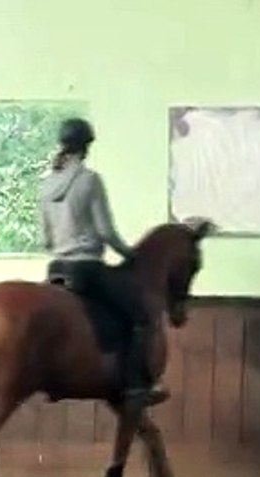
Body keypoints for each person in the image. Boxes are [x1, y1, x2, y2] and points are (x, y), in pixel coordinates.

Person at [39, 116, 167, 407]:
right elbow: (106, 232)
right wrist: (130, 254)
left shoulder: (46, 186)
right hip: (87, 269)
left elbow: (45, 239)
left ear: (63, 145)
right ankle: (137, 385)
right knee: (141, 315)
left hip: (56, 269)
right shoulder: (89, 180)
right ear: (86, 147)